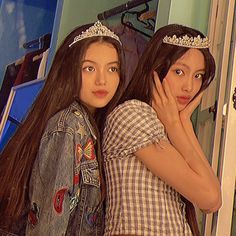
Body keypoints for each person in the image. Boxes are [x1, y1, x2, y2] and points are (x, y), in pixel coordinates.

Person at [0, 21, 125, 235]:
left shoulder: (90, 128)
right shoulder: (69, 126)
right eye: (89, 68)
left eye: (112, 68)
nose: (102, 80)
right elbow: (48, 225)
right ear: (69, 71)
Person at [102, 24, 222, 236]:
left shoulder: (168, 124)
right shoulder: (132, 114)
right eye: (179, 72)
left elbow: (214, 203)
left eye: (198, 76)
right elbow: (209, 197)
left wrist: (183, 122)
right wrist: (177, 124)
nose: (189, 86)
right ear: (155, 70)